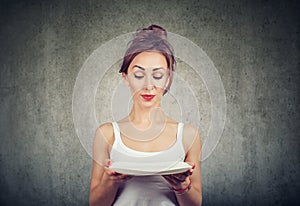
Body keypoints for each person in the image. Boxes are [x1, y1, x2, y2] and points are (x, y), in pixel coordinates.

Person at [89, 25, 202, 206]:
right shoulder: (107, 133)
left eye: (157, 75)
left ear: (168, 79)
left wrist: (182, 185)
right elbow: (95, 204)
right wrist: (112, 180)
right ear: (125, 77)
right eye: (139, 74)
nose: (148, 85)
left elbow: (195, 204)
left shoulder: (189, 135)